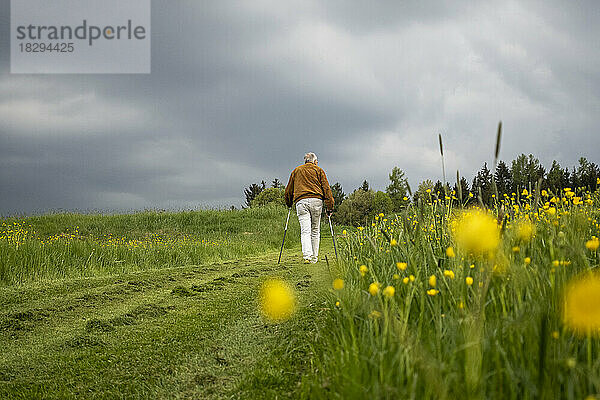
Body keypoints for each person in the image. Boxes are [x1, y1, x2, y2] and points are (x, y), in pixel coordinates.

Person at [284, 152, 334, 263]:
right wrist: (329, 206)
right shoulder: (319, 170)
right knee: (315, 230)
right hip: (316, 201)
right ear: (314, 161)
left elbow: (288, 190)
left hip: (301, 202)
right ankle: (314, 258)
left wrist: (288, 203)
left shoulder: (296, 171)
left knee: (305, 231)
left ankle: (307, 256)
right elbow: (326, 189)